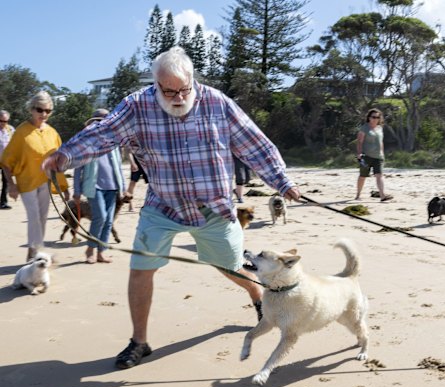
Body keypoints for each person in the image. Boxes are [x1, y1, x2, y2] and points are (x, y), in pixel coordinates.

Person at [42, 46, 301, 370]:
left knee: (230, 264)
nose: (178, 97)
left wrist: (282, 181)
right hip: (163, 207)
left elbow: (254, 143)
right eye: (169, 91)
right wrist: (64, 156)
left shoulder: (217, 104)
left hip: (214, 208)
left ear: (193, 82)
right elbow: (101, 135)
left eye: (184, 90)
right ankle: (139, 341)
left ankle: (257, 297)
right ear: (156, 86)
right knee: (140, 268)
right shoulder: (137, 106)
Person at [1, 92, 69, 261]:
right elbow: (6, 160)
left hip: (46, 182)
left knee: (42, 218)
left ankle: (33, 253)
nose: (44, 114)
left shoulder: (53, 133)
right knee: (34, 217)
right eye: (40, 109)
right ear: (31, 109)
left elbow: (59, 161)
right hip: (26, 182)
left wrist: (64, 187)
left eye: (48, 110)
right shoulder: (21, 132)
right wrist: (11, 185)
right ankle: (37, 252)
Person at [73, 109, 127, 264]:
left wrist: (122, 186)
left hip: (112, 187)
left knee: (109, 221)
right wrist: (76, 190)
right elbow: (78, 168)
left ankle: (101, 252)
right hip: (93, 186)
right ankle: (90, 249)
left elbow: (117, 165)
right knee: (100, 217)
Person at [355, 108, 392, 202]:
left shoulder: (380, 128)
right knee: (363, 176)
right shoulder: (364, 128)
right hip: (366, 156)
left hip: (378, 157)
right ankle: (358, 195)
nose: (375, 119)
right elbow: (359, 141)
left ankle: (382, 195)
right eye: (373, 117)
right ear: (369, 118)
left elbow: (381, 142)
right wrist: (359, 153)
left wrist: (382, 153)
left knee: (379, 175)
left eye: (377, 117)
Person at [0, 110, 15, 210]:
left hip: (6, 161)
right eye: (0, 120)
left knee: (6, 182)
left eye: (5, 121)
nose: (2, 123)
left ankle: (3, 202)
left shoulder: (11, 130)